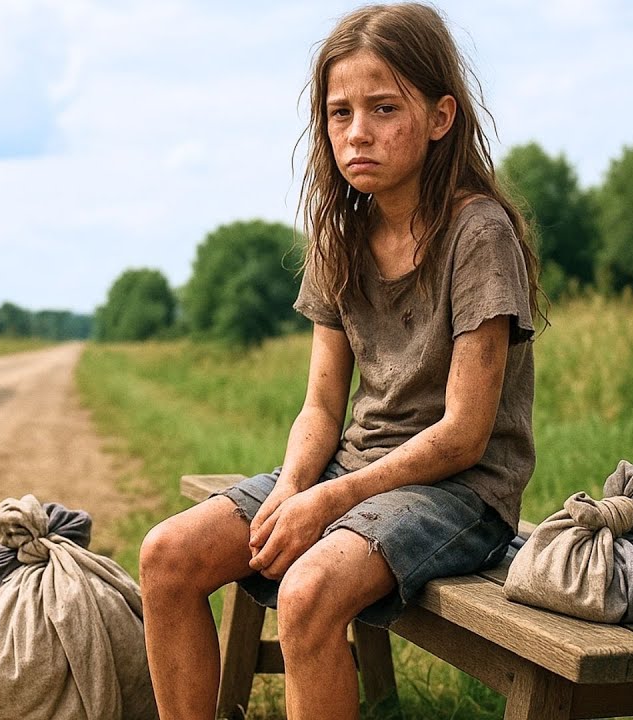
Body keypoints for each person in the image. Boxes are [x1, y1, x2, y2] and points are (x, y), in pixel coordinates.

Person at [138, 4, 544, 719]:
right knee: (166, 555)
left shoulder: (478, 233)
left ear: (441, 116)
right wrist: (292, 487)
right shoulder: (340, 237)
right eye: (339, 113)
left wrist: (325, 501)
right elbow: (322, 406)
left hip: (462, 493)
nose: (357, 132)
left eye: (384, 108)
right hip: (353, 471)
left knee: (308, 592)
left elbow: (464, 434)